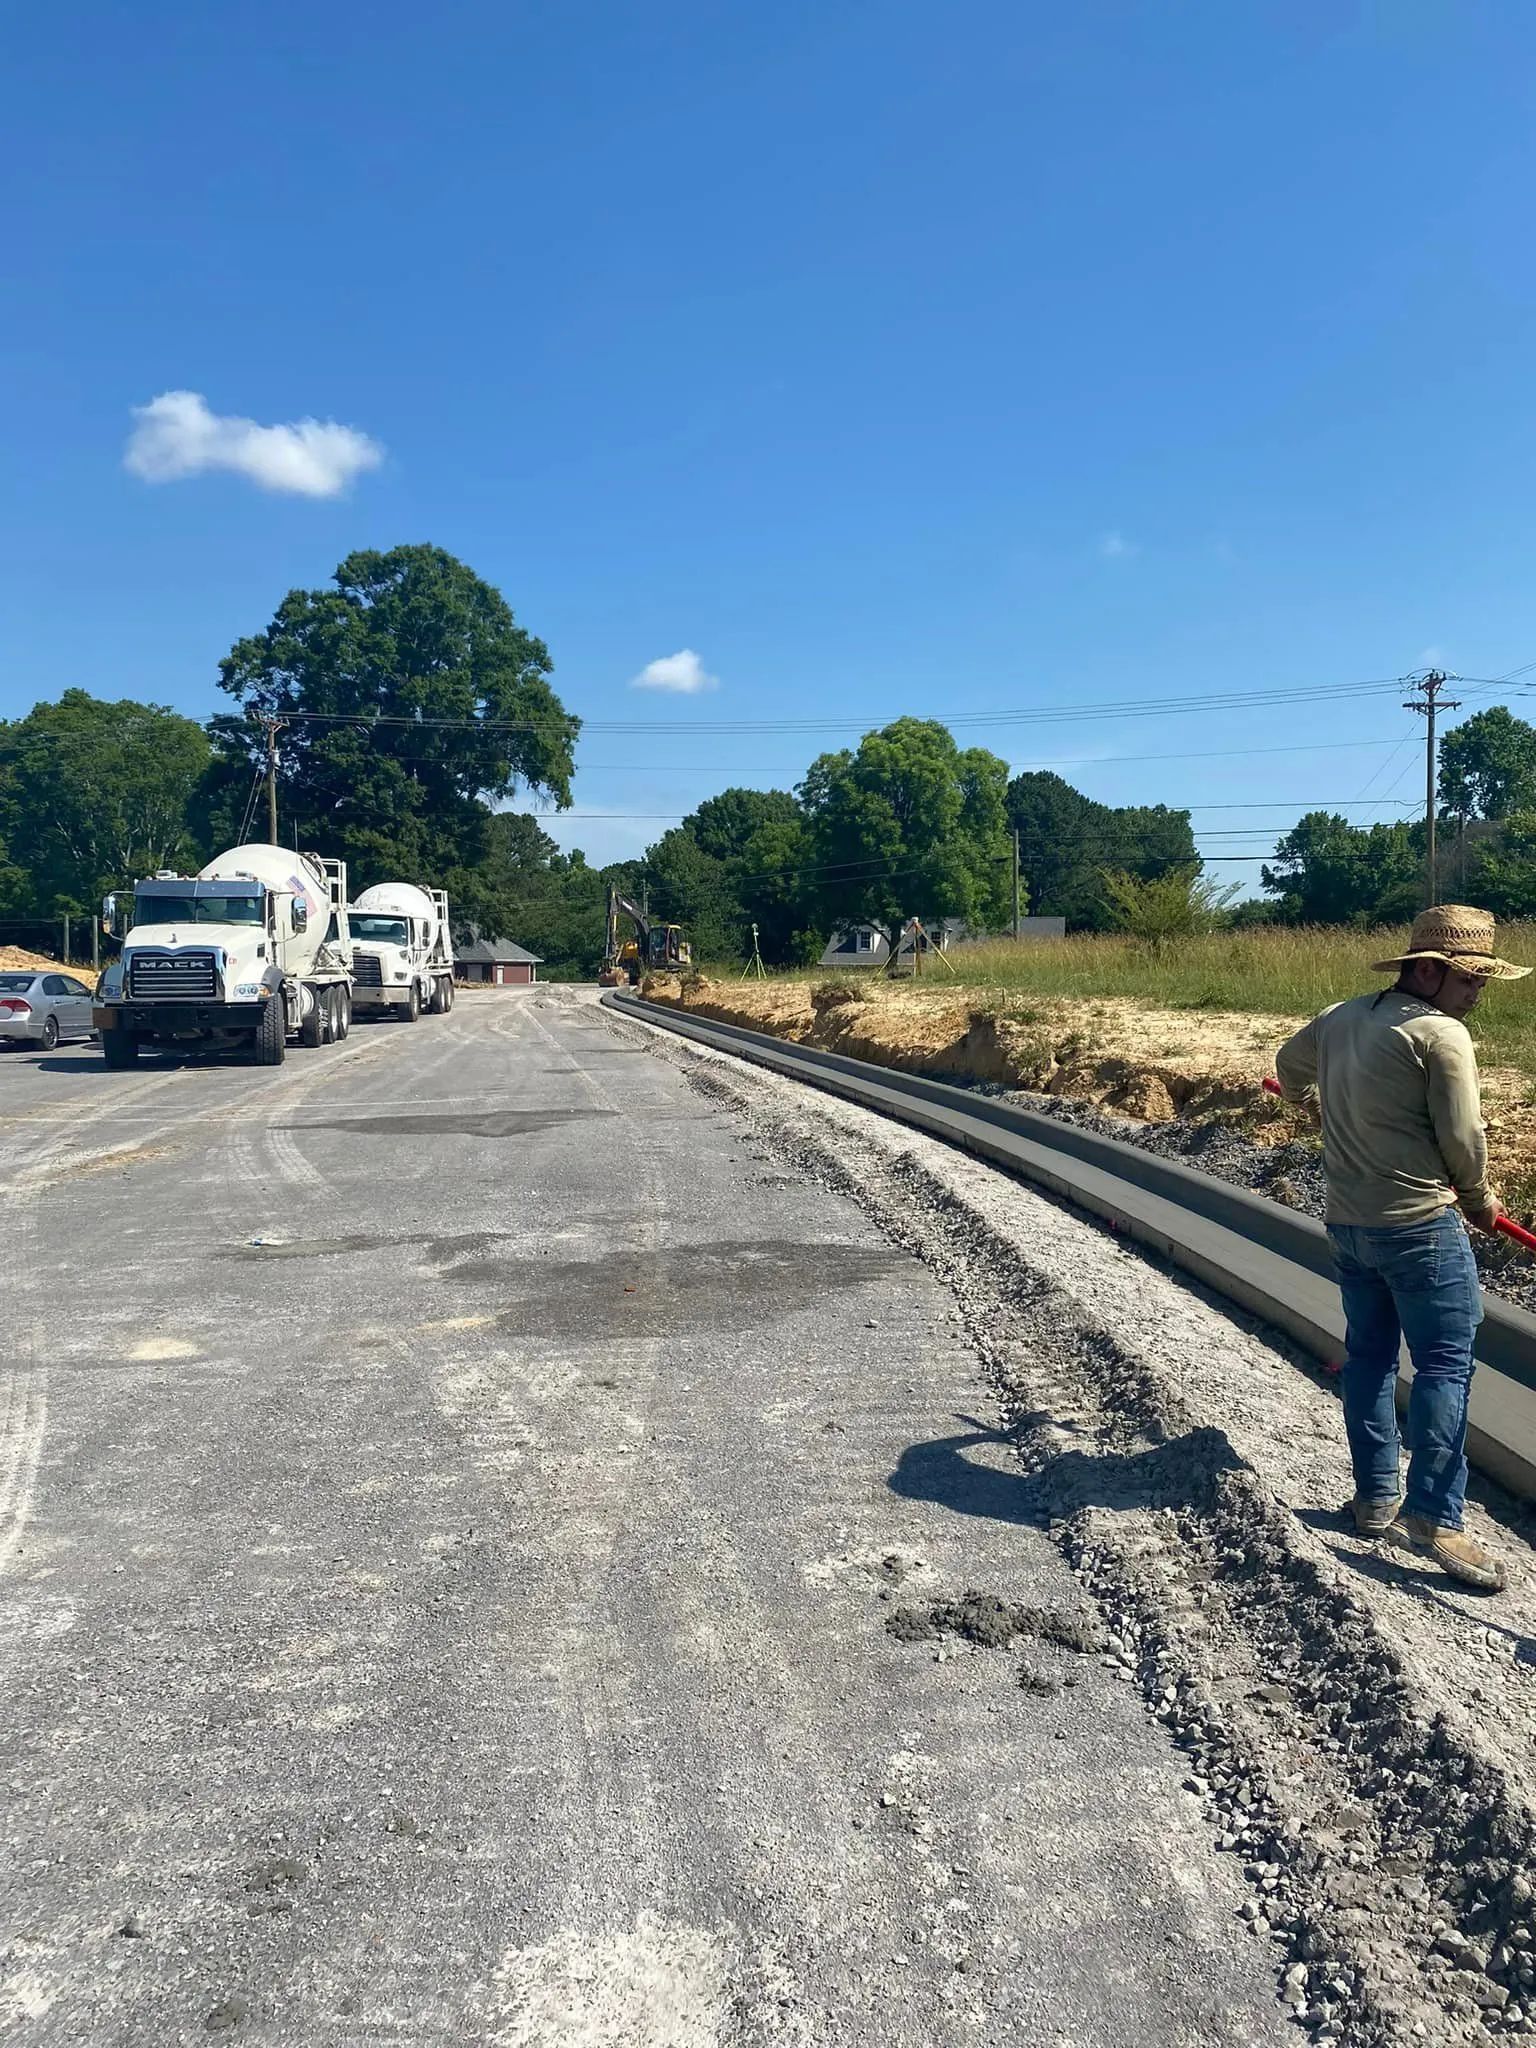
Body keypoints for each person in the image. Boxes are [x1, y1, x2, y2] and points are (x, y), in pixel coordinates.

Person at [1275, 905, 1529, 1592]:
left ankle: (1375, 1497)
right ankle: (1438, 1519)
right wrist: (1479, 1204)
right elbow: (1463, 1136)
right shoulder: (1442, 1038)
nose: (1477, 995)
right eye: (1470, 981)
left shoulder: (1342, 1016)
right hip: (1420, 1227)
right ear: (1428, 971)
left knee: (1370, 1358)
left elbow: (1288, 1063)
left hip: (1350, 1226)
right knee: (1446, 1367)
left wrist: (1305, 1101)